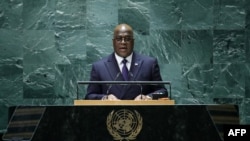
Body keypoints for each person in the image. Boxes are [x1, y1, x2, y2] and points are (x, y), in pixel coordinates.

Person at [85, 23, 167, 100]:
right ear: (113, 42)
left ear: (133, 42)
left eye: (127, 39)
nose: (123, 42)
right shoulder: (99, 67)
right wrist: (105, 98)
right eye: (119, 39)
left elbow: (162, 92)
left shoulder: (149, 64)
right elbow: (89, 96)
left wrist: (148, 97)